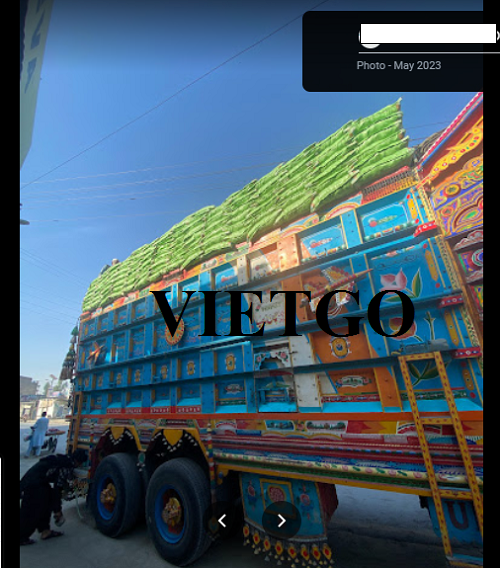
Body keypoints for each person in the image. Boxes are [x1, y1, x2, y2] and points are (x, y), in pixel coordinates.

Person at [20, 449, 87, 545]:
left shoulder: (63, 459)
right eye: (81, 463)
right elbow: (57, 490)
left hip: (34, 481)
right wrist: (57, 510)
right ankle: (22, 537)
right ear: (78, 461)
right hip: (34, 484)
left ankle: (45, 531)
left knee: (45, 503)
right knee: (33, 510)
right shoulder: (66, 466)